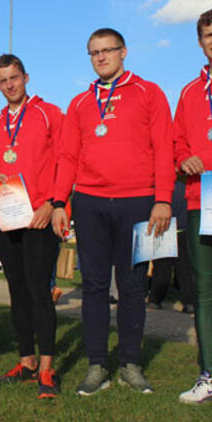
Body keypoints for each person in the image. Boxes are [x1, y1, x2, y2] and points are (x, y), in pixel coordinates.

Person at [51, 28, 174, 395]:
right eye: (94, 52)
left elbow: (164, 148)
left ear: (124, 52)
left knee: (134, 287)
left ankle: (131, 364)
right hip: (89, 202)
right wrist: (60, 202)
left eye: (107, 50)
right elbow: (68, 156)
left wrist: (163, 198)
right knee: (93, 286)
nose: (101, 57)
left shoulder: (149, 93)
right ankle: (96, 365)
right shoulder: (79, 103)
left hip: (138, 200)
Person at [0, 54, 63, 399]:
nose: (9, 85)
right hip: (8, 216)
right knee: (16, 290)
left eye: (14, 78)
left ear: (26, 77)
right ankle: (27, 361)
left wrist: (53, 203)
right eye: (2, 80)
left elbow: (65, 159)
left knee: (38, 290)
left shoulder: (49, 114)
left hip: (40, 215)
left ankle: (47, 369)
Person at [173, 8, 212, 404]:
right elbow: (177, 140)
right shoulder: (188, 92)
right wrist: (184, 157)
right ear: (200, 43)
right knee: (205, 290)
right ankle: (209, 374)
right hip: (204, 196)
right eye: (207, 35)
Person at [147, 179, 195, 313]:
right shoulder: (184, 188)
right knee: (184, 269)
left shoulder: (160, 190)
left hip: (163, 229)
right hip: (182, 229)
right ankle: (189, 302)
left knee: (162, 268)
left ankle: (155, 300)